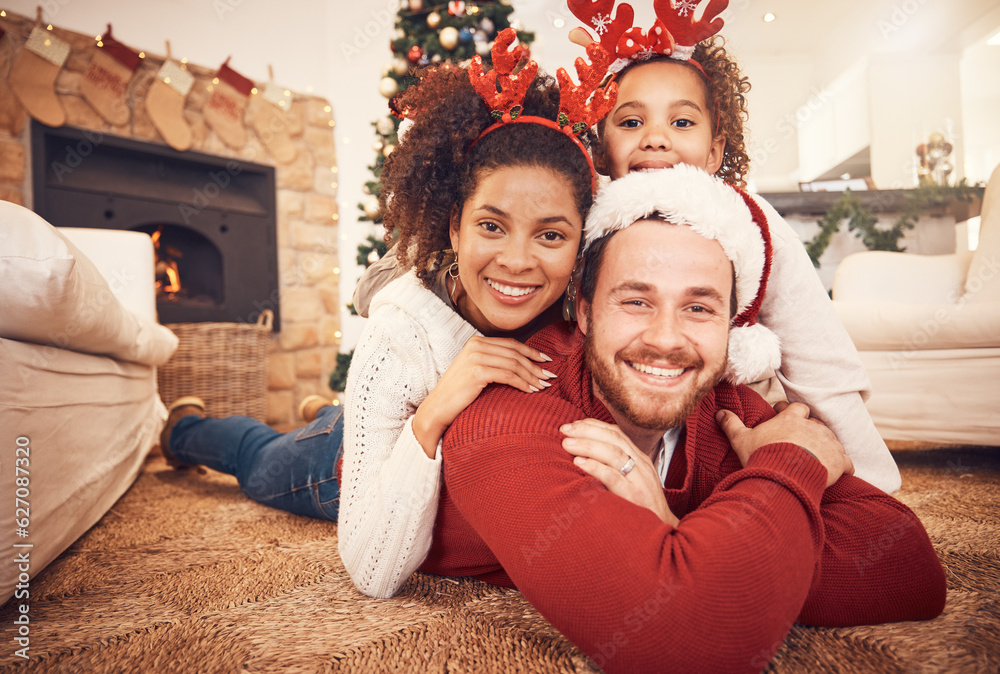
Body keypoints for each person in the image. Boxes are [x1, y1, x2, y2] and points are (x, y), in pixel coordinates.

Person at [357, 0, 902, 493]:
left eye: (681, 121)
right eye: (632, 120)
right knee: (311, 465)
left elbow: (821, 358)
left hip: (642, 414)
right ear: (600, 141)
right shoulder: (581, 203)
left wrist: (870, 474)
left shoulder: (752, 223)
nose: (656, 137)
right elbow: (391, 276)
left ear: (715, 151)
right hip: (456, 407)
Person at [420, 166, 946, 673]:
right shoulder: (507, 416)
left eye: (698, 309)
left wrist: (682, 541)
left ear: (730, 324)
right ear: (584, 311)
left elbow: (908, 565)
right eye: (636, 300)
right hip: (340, 464)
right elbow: (686, 645)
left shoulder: (725, 406)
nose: (667, 340)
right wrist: (789, 463)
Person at [158, 32, 612, 599]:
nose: (517, 262)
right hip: (340, 462)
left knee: (343, 412)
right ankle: (184, 430)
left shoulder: (584, 315)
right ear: (454, 226)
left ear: (579, 245)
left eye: (550, 234)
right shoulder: (401, 332)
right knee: (258, 460)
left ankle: (328, 407)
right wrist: (437, 407)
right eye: (491, 225)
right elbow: (371, 571)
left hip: (377, 415)